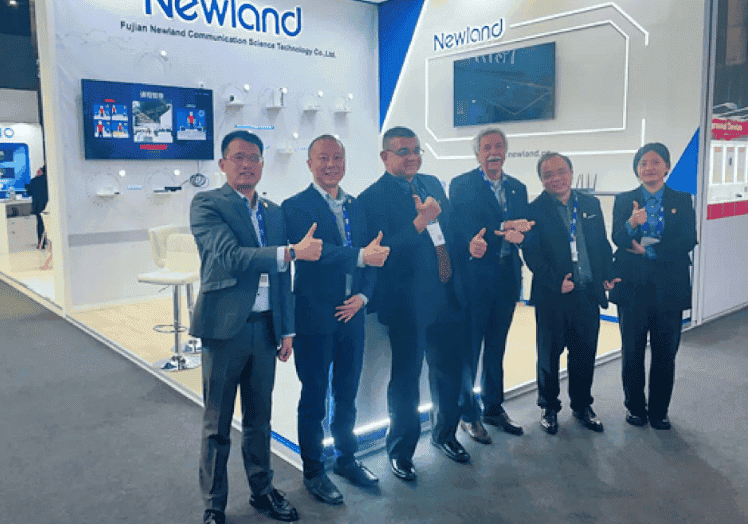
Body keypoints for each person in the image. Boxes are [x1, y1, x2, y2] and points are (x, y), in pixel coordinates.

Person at [190, 130, 322, 524]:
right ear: (223, 164)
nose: (247, 164)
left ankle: (262, 492)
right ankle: (214, 505)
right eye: (238, 157)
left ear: (263, 164)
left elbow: (283, 276)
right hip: (224, 329)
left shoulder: (273, 211)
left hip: (265, 329)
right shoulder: (207, 204)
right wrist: (291, 251)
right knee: (217, 424)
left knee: (259, 420)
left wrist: (287, 328)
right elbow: (229, 257)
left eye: (254, 158)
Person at [282, 135, 389, 504]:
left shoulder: (357, 207)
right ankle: (314, 471)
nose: (331, 165)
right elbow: (317, 252)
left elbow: (375, 254)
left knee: (347, 394)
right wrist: (358, 257)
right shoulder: (294, 207)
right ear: (309, 164)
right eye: (323, 158)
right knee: (314, 397)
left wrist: (364, 296)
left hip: (352, 315)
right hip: (314, 317)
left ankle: (346, 458)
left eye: (337, 157)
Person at [358, 126, 469, 482]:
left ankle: (445, 434)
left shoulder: (432, 183)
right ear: (385, 156)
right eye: (403, 151)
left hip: (447, 294)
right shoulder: (371, 199)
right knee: (406, 380)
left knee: (448, 372)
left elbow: (449, 230)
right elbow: (382, 252)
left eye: (417, 150)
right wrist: (421, 221)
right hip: (408, 304)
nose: (412, 157)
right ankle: (401, 452)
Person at [523, 152, 619, 435]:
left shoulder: (589, 204)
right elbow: (532, 254)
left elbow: (601, 243)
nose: (556, 178)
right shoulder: (534, 209)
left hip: (587, 293)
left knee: (584, 353)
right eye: (548, 174)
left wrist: (607, 273)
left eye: (561, 171)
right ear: (541, 180)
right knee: (549, 355)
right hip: (553, 295)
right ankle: (549, 407)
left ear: (571, 173)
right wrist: (555, 282)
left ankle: (582, 405)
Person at [449, 127, 533, 444]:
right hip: (475, 281)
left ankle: (493, 408)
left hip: (508, 280)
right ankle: (467, 414)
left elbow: (525, 227)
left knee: (497, 348)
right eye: (487, 147)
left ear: (505, 152)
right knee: (469, 351)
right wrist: (495, 230)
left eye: (498, 146)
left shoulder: (518, 188)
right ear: (478, 154)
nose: (493, 152)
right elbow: (460, 227)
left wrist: (522, 234)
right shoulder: (462, 185)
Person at [609, 143, 697, 430]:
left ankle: (659, 411)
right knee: (632, 352)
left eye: (655, 162)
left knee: (665, 353)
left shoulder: (681, 199)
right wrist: (631, 224)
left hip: (669, 287)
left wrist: (649, 251)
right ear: (637, 169)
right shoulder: (625, 200)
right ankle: (635, 408)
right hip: (633, 287)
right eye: (643, 163)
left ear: (667, 167)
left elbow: (688, 239)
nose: (649, 167)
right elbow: (618, 238)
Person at [25, 165, 49, 249]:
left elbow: (29, 192)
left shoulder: (34, 181)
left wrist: (27, 187)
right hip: (47, 205)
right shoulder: (48, 180)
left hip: (38, 206)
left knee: (40, 225)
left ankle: (41, 243)